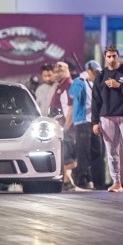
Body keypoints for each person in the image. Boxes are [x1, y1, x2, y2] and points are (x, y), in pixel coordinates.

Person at [91, 46, 123, 193]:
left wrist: (119, 85)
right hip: (107, 117)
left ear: (118, 56)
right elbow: (95, 101)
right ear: (104, 57)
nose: (112, 59)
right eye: (109, 56)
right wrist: (95, 122)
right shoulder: (100, 76)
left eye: (114, 56)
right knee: (111, 151)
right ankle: (116, 182)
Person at [70, 60, 102, 189]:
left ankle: (79, 171)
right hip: (82, 121)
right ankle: (82, 177)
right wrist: (81, 79)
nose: (97, 74)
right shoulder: (80, 82)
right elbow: (73, 93)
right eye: (95, 72)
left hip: (94, 121)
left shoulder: (96, 84)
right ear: (88, 70)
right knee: (83, 151)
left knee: (96, 151)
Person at [49, 61, 77, 189]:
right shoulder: (60, 86)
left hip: (68, 128)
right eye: (55, 71)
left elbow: (71, 108)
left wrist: (67, 127)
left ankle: (67, 182)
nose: (56, 73)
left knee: (67, 157)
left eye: (60, 71)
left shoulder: (69, 85)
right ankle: (66, 181)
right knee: (64, 155)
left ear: (67, 71)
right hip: (60, 127)